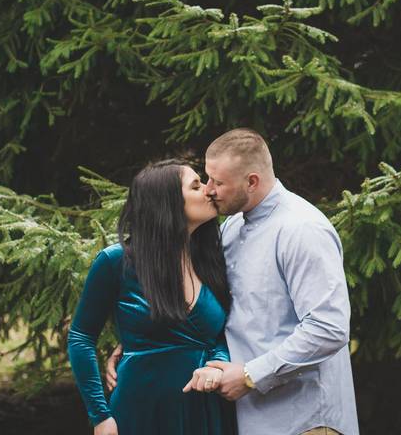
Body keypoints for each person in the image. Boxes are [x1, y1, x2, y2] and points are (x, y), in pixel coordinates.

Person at [110, 129, 359, 435]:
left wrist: (251, 375)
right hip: (255, 419)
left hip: (305, 421)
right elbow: (213, 308)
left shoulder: (302, 230)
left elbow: (328, 328)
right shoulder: (232, 227)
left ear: (251, 182)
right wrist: (145, 340)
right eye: (207, 178)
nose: (209, 190)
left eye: (218, 182)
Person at [67, 159, 237, 435]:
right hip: (141, 410)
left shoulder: (212, 260)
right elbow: (81, 337)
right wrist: (100, 416)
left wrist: (217, 366)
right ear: (166, 202)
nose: (209, 190)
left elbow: (219, 334)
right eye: (196, 186)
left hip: (205, 410)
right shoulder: (117, 261)